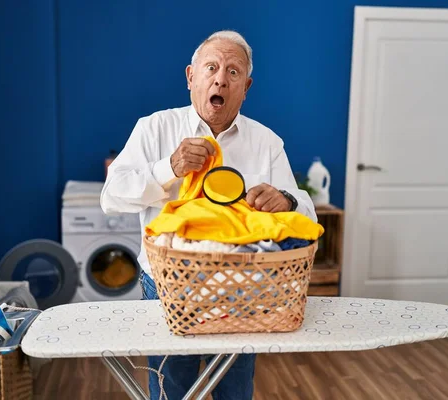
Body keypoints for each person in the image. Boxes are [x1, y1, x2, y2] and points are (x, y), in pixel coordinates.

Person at [100, 30, 317, 400]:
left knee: (234, 391)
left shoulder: (266, 142)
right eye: (211, 67)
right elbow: (112, 196)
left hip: (243, 291)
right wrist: (168, 168)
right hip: (168, 288)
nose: (220, 79)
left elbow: (307, 212)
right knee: (171, 388)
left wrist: (286, 198)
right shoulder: (154, 128)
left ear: (246, 87)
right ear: (190, 77)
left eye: (233, 72)